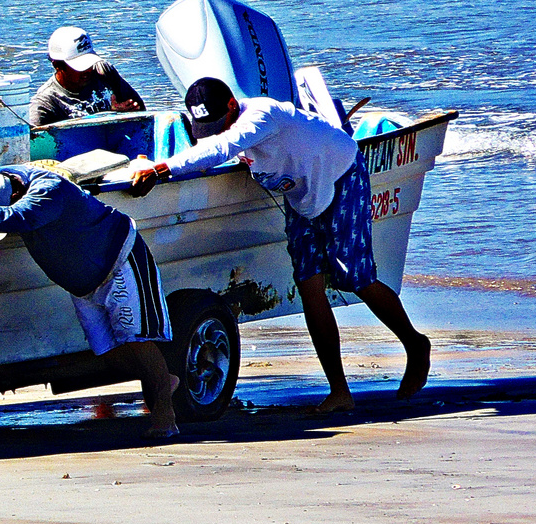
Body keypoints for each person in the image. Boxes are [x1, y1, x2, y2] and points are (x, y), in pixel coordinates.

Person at [128, 77, 430, 412]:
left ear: (232, 105)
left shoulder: (262, 114)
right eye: (205, 126)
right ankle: (339, 392)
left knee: (354, 277)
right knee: (309, 285)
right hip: (301, 193)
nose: (213, 131)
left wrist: (163, 168)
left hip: (341, 175)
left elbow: (222, 148)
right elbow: (218, 147)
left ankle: (416, 345)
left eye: (218, 123)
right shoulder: (229, 130)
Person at [0, 165, 179, 438]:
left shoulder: (49, 190)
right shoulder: (3, 179)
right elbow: (7, 211)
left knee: (137, 343)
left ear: (18, 193)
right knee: (110, 354)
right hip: (83, 285)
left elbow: (21, 216)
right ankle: (165, 381)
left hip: (119, 262)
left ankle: (165, 418)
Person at [28, 26, 145, 128]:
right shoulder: (45, 104)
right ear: (57, 65)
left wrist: (123, 114)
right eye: (80, 67)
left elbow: (142, 113)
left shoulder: (103, 71)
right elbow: (36, 147)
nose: (88, 70)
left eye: (89, 63)